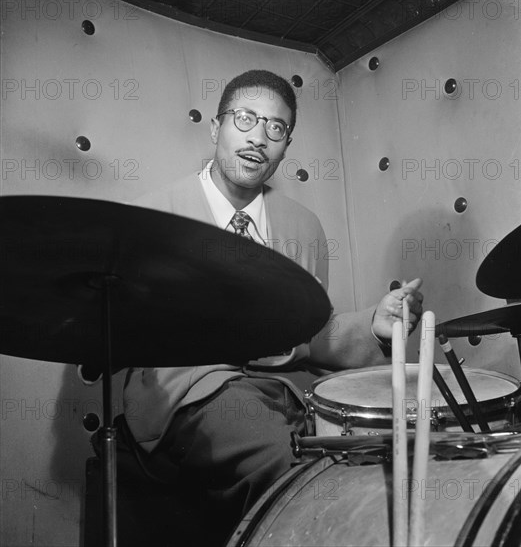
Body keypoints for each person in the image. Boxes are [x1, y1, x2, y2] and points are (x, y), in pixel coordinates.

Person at [90, 70, 423, 545]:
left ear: (286, 145)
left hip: (277, 393)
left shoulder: (303, 226)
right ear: (216, 127)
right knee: (285, 462)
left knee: (365, 455)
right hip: (182, 396)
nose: (257, 138)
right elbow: (110, 330)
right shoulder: (153, 218)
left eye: (276, 128)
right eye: (244, 119)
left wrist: (374, 324)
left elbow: (310, 334)